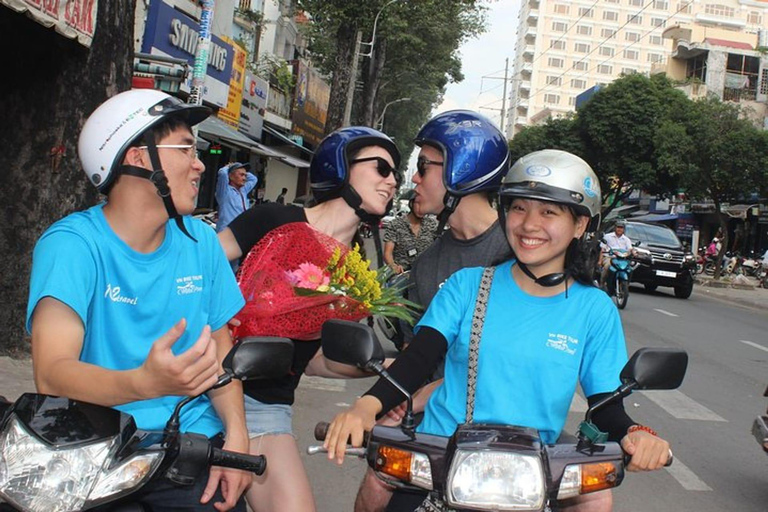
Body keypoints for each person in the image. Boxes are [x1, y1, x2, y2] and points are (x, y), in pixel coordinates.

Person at [324, 149, 673, 512]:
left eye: (548, 212)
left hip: (530, 480)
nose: (528, 224)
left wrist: (636, 434)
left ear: (580, 225)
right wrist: (366, 406)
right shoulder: (467, 286)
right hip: (439, 463)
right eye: (519, 208)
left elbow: (605, 405)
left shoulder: (594, 309)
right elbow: (419, 357)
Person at [27, 89, 251, 511]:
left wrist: (236, 438)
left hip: (192, 448)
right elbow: (52, 375)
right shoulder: (73, 245)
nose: (200, 163)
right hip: (95, 450)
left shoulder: (201, 241)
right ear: (139, 156)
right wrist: (143, 383)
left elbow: (221, 352)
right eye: (185, 147)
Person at [217, 126, 401, 512]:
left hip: (265, 408)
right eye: (382, 168)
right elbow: (195, 273)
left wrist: (386, 368)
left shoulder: (355, 273)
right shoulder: (272, 219)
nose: (393, 181)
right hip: (201, 388)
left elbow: (315, 359)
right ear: (341, 167)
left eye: (396, 174)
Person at [355, 109, 512, 512]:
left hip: (509, 445)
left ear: (462, 170)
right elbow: (417, 355)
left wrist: (412, 399)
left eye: (424, 167)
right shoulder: (425, 266)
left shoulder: (517, 255)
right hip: (434, 435)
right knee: (373, 492)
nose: (414, 180)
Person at [382, 197, 438, 274]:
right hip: (402, 275)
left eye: (425, 205)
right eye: (418, 204)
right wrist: (394, 266)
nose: (421, 208)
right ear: (411, 204)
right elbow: (387, 253)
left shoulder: (432, 225)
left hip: (426, 274)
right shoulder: (395, 224)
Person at [216, 162, 258, 232]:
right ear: (231, 176)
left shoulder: (243, 190)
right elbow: (222, 173)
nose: (244, 178)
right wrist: (228, 167)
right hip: (226, 233)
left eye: (245, 175)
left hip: (240, 231)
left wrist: (243, 171)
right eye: (241, 175)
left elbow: (254, 179)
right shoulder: (225, 191)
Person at [599, 220, 634, 289]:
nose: (619, 229)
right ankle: (602, 283)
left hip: (622, 259)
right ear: (615, 228)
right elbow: (602, 249)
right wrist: (600, 261)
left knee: (630, 269)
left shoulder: (626, 240)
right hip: (609, 257)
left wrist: (633, 252)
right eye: (618, 227)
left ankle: (625, 285)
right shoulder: (607, 236)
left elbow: (630, 249)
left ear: (624, 229)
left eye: (621, 228)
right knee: (607, 266)